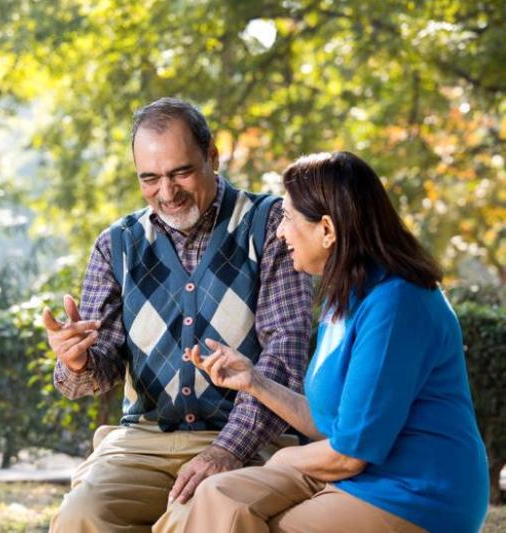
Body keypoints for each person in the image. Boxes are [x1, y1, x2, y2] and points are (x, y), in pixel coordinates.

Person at [175, 151, 490, 533]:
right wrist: (254, 381)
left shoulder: (396, 302)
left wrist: (282, 461)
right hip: (356, 475)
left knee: (272, 524)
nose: (279, 232)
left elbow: (350, 452)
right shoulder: (346, 297)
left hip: (417, 494)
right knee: (218, 495)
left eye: (288, 218)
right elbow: (334, 424)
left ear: (327, 229)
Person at [43, 97, 314, 532]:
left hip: (249, 440)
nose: (166, 193)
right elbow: (99, 370)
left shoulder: (270, 226)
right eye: (149, 178)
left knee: (195, 518)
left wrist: (227, 448)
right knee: (82, 515)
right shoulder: (117, 244)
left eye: (181, 172)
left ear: (212, 156)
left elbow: (285, 357)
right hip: (144, 441)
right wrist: (76, 362)